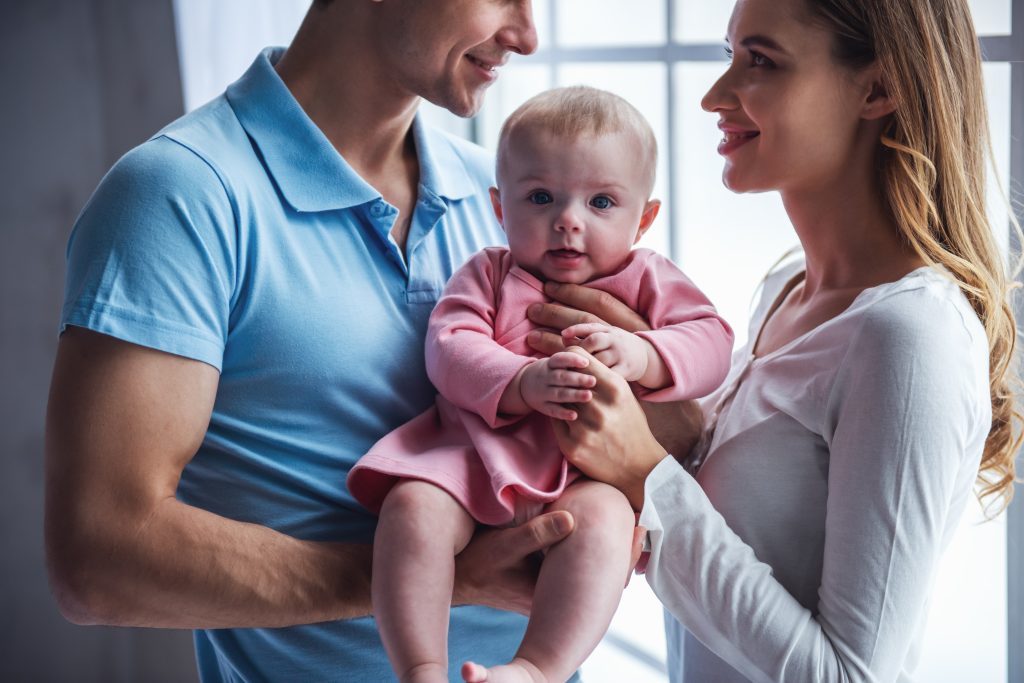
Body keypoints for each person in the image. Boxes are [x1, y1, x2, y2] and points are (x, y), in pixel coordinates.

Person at [42, 2, 670, 681]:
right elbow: (98, 560)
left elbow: (668, 440)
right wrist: (436, 575)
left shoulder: (522, 202)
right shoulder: (180, 195)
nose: (525, 34)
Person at [523, 0, 1021, 681]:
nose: (713, 96)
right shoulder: (787, 289)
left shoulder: (907, 338)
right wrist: (670, 420)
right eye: (728, 55)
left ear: (877, 88)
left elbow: (850, 674)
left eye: (760, 62)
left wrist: (647, 474)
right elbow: (754, 525)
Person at [347, 86, 734, 683]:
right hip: (471, 460)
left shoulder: (647, 277)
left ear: (644, 218)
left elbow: (711, 341)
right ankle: (421, 667)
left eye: (601, 201)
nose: (568, 221)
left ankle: (537, 669)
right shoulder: (488, 273)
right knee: (411, 509)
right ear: (501, 209)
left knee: (607, 527)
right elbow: (449, 346)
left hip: (583, 477)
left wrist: (643, 352)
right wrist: (523, 381)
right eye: (541, 198)